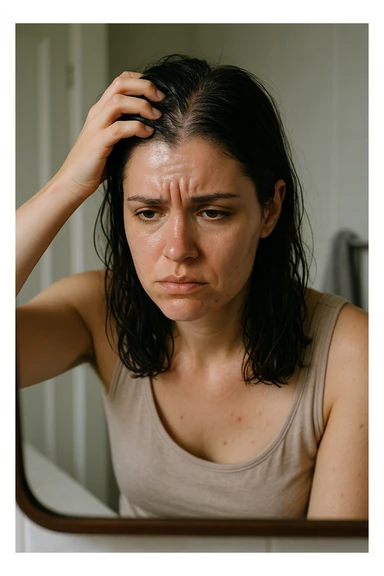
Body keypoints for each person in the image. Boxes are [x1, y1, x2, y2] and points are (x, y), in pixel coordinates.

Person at [16, 55, 368, 520]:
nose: (178, 249)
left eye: (212, 212)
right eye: (148, 213)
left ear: (270, 209)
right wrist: (68, 183)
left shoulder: (354, 354)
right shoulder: (98, 311)